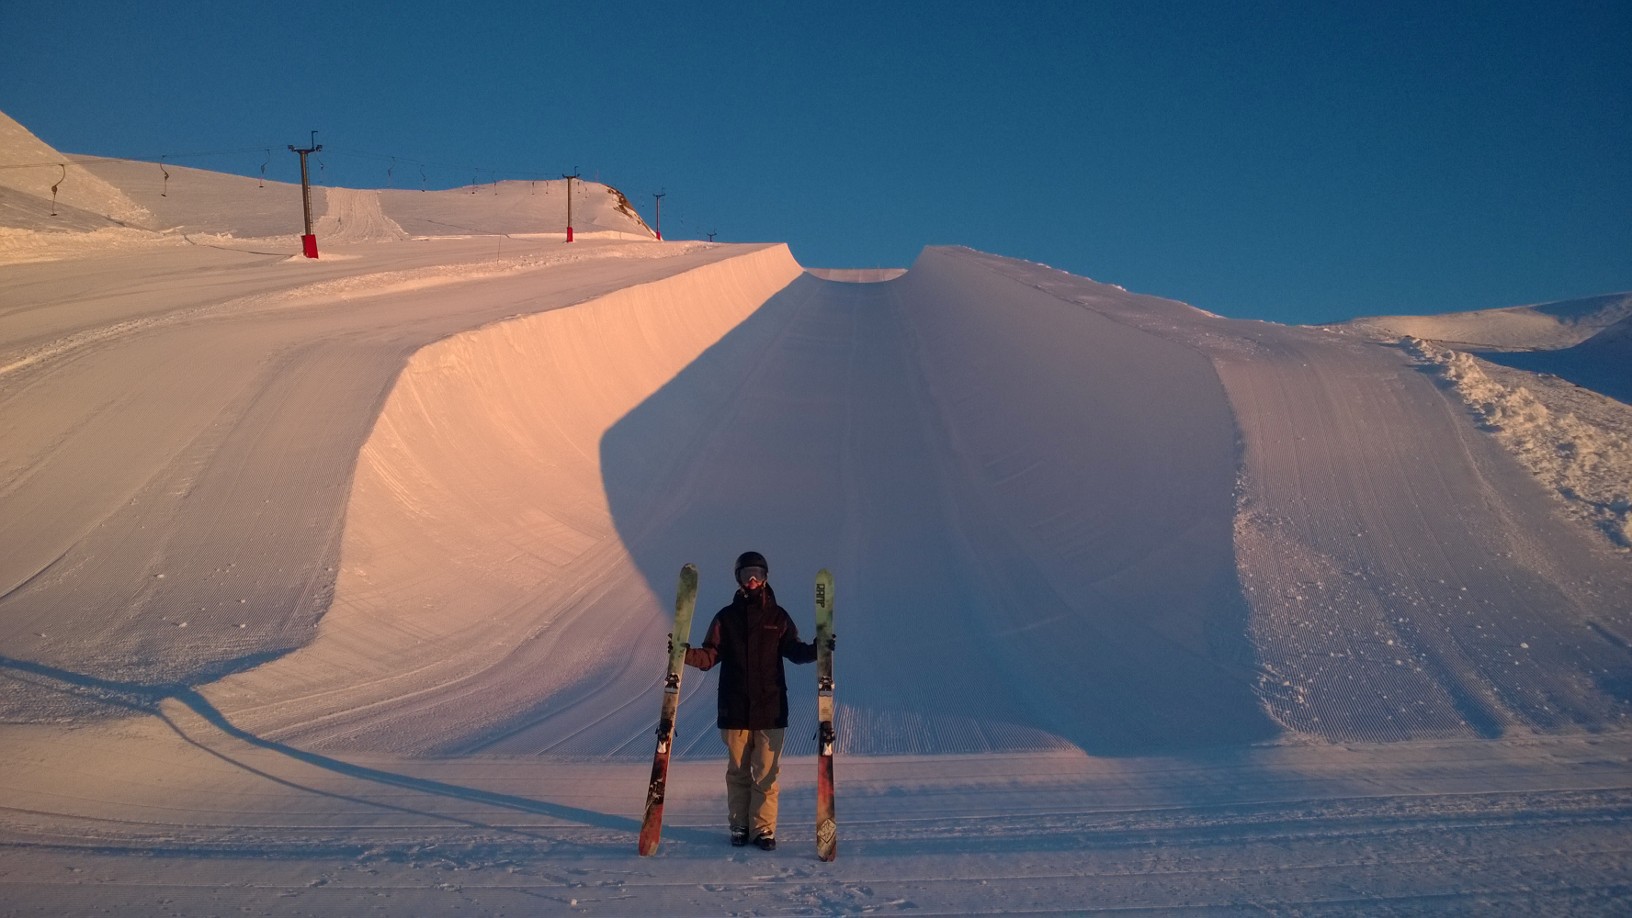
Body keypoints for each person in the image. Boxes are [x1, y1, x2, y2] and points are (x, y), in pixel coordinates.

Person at [682, 551, 816, 850]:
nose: (752, 580)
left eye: (757, 573)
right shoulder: (726, 618)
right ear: (739, 579)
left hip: (771, 708)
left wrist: (818, 651)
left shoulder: (777, 617)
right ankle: (740, 826)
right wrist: (684, 654)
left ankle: (763, 830)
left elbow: (794, 650)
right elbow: (709, 656)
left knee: (767, 775)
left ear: (766, 576)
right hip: (735, 708)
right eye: (746, 575)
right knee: (738, 773)